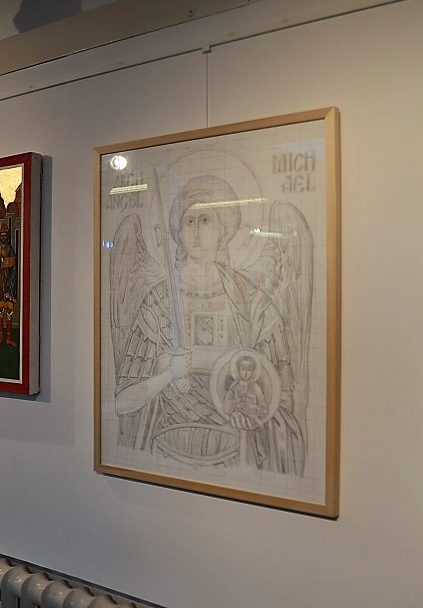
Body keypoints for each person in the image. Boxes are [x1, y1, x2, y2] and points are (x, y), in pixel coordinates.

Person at [110, 174, 307, 475]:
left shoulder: (250, 298)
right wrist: (168, 374)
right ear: (178, 232)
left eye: (205, 220)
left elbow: (279, 390)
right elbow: (122, 402)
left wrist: (250, 413)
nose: (196, 232)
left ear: (223, 230)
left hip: (236, 451)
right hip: (166, 448)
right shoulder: (159, 301)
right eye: (189, 222)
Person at [0, 224, 18, 346]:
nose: (3, 237)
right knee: (0, 309)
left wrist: (10, 282)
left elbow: (13, 266)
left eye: (5, 235)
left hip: (9, 282)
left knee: (9, 310)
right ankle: (0, 334)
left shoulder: (10, 249)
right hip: (0, 283)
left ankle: (8, 337)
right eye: (1, 235)